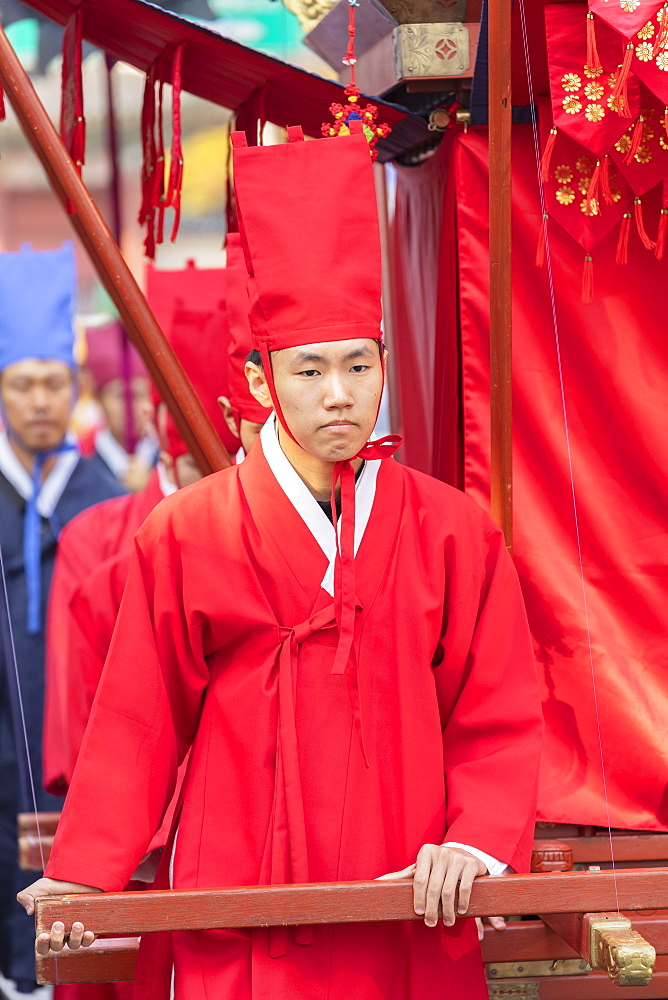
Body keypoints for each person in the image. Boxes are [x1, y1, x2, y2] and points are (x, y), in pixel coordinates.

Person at [20, 131, 542, 1000]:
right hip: (238, 889)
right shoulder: (186, 532)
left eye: (358, 364)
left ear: (382, 365)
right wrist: (87, 870)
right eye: (309, 370)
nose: (338, 393)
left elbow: (498, 710)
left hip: (405, 891)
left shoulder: (452, 530)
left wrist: (474, 840)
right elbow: (138, 723)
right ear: (262, 383)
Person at [0, 244, 125, 998]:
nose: (40, 400)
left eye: (53, 384)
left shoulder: (106, 496)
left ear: (74, 389)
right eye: (22, 385)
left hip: (80, 743)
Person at [83, 321, 156, 493]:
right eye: (120, 395)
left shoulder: (169, 462)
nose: (132, 408)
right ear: (99, 400)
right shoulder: (82, 463)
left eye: (139, 395)